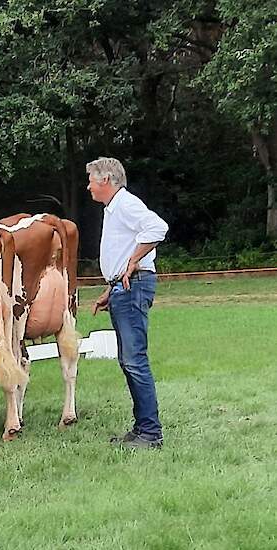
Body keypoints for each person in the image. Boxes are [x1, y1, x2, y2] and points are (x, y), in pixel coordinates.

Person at [87, 157, 169, 450]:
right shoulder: (115, 208)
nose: (89, 186)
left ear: (106, 180)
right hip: (123, 288)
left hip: (133, 287)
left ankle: (150, 433)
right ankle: (142, 428)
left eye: (92, 180)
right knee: (129, 361)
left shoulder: (125, 204)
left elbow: (158, 228)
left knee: (135, 361)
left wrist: (133, 262)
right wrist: (111, 288)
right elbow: (123, 248)